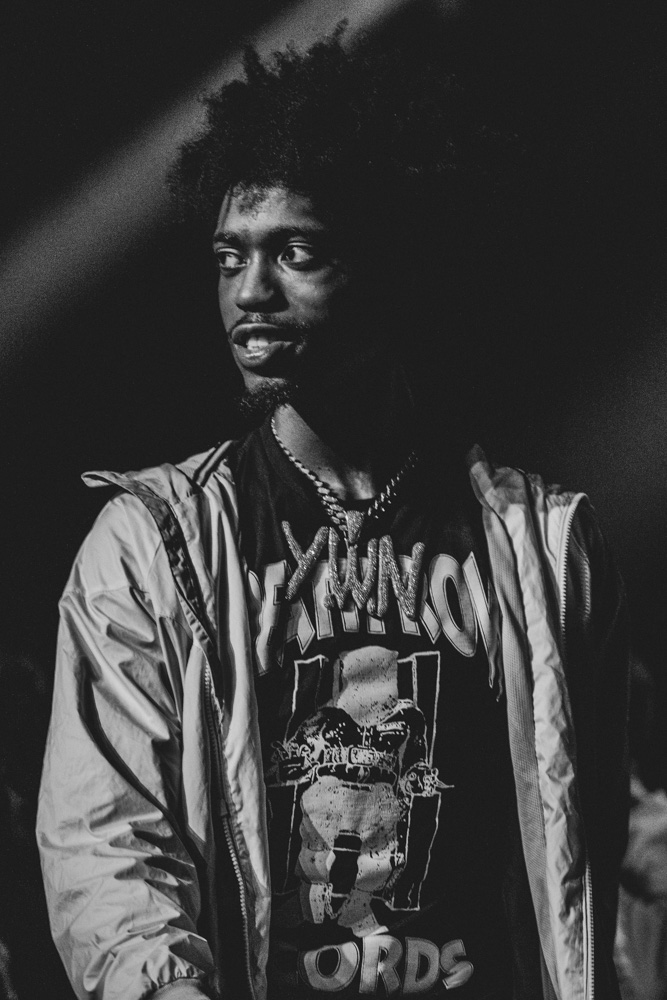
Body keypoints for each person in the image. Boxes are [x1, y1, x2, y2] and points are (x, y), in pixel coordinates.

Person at [37, 31, 630, 1000]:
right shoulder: (153, 547)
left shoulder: (541, 547)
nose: (249, 294)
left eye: (295, 253)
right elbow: (108, 851)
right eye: (230, 257)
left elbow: (615, 840)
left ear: (386, 266)